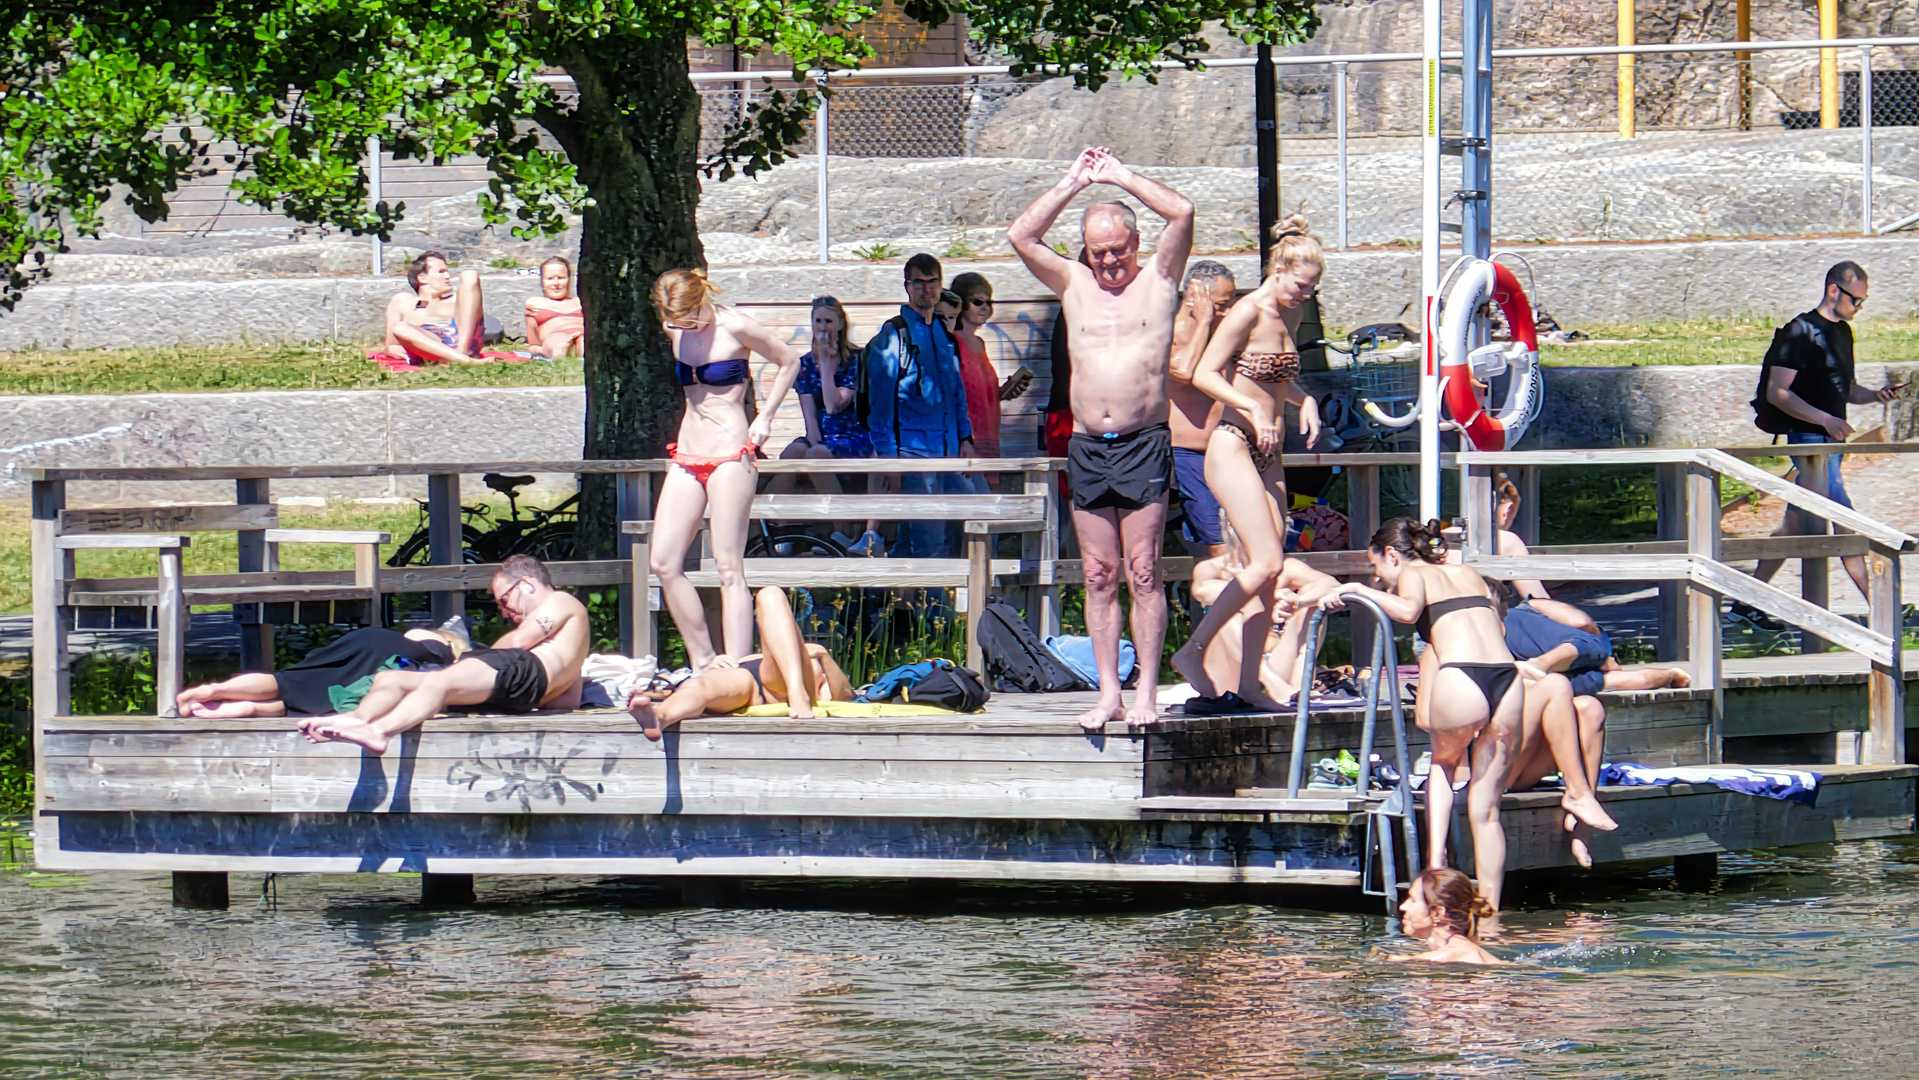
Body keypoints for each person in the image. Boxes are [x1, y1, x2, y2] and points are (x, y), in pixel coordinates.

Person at [1318, 519, 1617, 912]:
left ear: (1392, 555)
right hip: (1505, 680)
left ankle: (1435, 865)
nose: (1380, 579)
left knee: (1443, 762)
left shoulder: (1413, 573)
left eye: (1377, 570)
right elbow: (1494, 626)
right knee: (1487, 809)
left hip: (1463, 674)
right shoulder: (1469, 573)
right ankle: (1489, 911)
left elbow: (1408, 612)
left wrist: (1355, 590)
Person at [1008, 146, 1195, 730]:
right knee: (1096, 573)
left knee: (1143, 569)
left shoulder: (1160, 280)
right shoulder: (1074, 282)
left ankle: (1144, 692)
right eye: (1099, 251)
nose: (1110, 261)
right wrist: (1072, 181)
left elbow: (1183, 213)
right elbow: (1021, 235)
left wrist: (1119, 177)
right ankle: (1109, 692)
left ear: (1136, 245)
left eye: (1118, 249)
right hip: (1088, 445)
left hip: (1142, 443)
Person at [1169, 217, 1325, 711]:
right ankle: (1193, 653)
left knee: (1271, 576)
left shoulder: (1291, 314)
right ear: (1278, 271)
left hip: (1269, 451)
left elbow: (1277, 377)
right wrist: (1254, 408)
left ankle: (1250, 684)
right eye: (1301, 284)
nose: (1305, 294)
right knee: (1266, 561)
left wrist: (1306, 401)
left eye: (1313, 288)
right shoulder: (1247, 311)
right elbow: (1203, 373)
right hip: (1233, 442)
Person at [649, 268, 804, 670]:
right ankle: (703, 660)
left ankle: (738, 667)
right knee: (663, 561)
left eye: (689, 316)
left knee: (727, 565)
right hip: (687, 451)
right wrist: (679, 325)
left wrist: (765, 416)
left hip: (731, 451)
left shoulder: (735, 326)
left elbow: (789, 360)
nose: (683, 325)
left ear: (702, 298)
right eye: (676, 320)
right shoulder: (676, 329)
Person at [301, 556, 589, 753]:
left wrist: (470, 661)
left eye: (504, 600)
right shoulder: (569, 644)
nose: (504, 611)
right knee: (392, 679)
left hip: (522, 668)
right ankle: (359, 719)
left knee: (438, 683)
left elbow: (521, 642)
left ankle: (380, 732)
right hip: (522, 689)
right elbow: (567, 701)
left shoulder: (560, 600)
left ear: (526, 584)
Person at [1744, 260, 1899, 622]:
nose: (1858, 308)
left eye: (1863, 302)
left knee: (1795, 525)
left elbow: (1845, 391)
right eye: (1855, 300)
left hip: (1830, 443)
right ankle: (1883, 606)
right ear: (1834, 291)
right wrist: (1826, 419)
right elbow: (1778, 392)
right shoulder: (1800, 332)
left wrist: (1878, 396)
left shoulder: (1843, 333)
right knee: (1842, 514)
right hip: (1809, 440)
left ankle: (1745, 603)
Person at [627, 586, 855, 740]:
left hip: (790, 686)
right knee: (700, 686)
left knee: (770, 594)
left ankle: (797, 693)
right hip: (747, 674)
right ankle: (661, 717)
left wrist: (823, 655)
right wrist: (720, 660)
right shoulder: (779, 648)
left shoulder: (816, 659)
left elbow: (845, 697)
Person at [865, 253, 977, 558]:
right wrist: (890, 459)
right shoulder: (894, 335)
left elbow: (955, 392)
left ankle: (903, 604)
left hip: (949, 452)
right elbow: (881, 405)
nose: (926, 290)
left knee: (974, 519)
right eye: (919, 283)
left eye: (932, 282)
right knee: (927, 542)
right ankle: (928, 606)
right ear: (907, 286)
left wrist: (966, 438)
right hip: (912, 456)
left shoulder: (942, 332)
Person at [1181, 512, 1338, 711]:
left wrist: (1297, 601)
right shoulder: (1212, 568)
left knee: (1315, 601)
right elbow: (1203, 591)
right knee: (1228, 612)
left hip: (1279, 659)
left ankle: (1294, 686)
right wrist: (1271, 600)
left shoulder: (1286, 567)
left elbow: (1332, 585)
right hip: (1231, 667)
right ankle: (1270, 684)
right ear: (1231, 527)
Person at [779, 295, 883, 555]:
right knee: (790, 455)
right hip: (823, 434)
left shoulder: (856, 361)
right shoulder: (803, 364)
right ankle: (781, 528)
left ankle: (843, 530)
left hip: (852, 433)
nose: (822, 327)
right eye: (817, 321)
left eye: (828, 321)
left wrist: (827, 366)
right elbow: (810, 416)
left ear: (840, 324)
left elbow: (835, 404)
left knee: (815, 456)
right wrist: (813, 440)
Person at [174, 627, 464, 718]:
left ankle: (217, 691)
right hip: (397, 659)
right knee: (334, 704)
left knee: (292, 682)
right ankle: (245, 708)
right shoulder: (450, 649)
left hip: (367, 638)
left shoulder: (423, 633)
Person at [1167, 260, 1237, 558]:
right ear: (1196, 296)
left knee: (1244, 542)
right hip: (1189, 455)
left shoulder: (1226, 333)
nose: (1228, 312)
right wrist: (1205, 321)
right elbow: (1183, 372)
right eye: (1222, 305)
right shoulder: (1173, 332)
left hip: (1229, 451)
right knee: (1219, 546)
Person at [949, 272, 1035, 462]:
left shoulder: (980, 343)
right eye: (978, 302)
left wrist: (1004, 391)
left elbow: (977, 392)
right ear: (962, 303)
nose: (985, 307)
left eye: (989, 302)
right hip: (965, 441)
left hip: (989, 437)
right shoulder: (951, 342)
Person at [383, 251, 496, 364]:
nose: (448, 276)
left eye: (447, 272)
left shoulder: (458, 300)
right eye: (441, 272)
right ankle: (462, 360)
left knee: (469, 275)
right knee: (400, 328)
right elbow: (392, 346)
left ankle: (462, 356)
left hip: (463, 341)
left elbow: (470, 284)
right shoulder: (405, 301)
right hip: (430, 347)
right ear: (423, 278)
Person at [1391, 868, 1506, 965]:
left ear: (1438, 913)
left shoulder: (1453, 954)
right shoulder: (1458, 950)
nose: (1403, 907)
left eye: (1413, 900)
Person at [523, 255, 585, 359]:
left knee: (586, 341)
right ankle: (565, 352)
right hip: (556, 335)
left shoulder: (580, 302)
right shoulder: (535, 304)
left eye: (561, 278)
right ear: (542, 282)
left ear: (569, 280)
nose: (556, 283)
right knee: (558, 344)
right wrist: (543, 350)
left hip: (583, 333)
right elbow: (534, 345)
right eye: (550, 278)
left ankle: (578, 351)